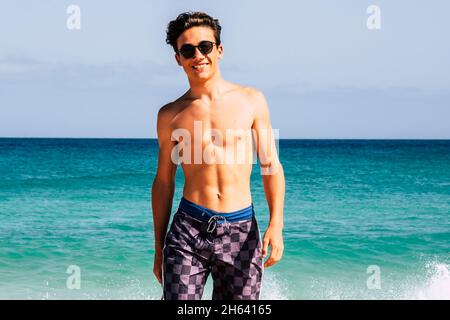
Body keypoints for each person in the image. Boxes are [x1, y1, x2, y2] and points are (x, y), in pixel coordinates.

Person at [151, 11, 285, 300]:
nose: (197, 55)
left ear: (219, 50)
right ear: (178, 58)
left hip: (242, 230)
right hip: (188, 229)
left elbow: (270, 165)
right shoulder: (170, 115)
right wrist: (158, 247)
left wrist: (276, 223)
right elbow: (164, 182)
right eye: (187, 50)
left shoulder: (251, 100)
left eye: (205, 46)